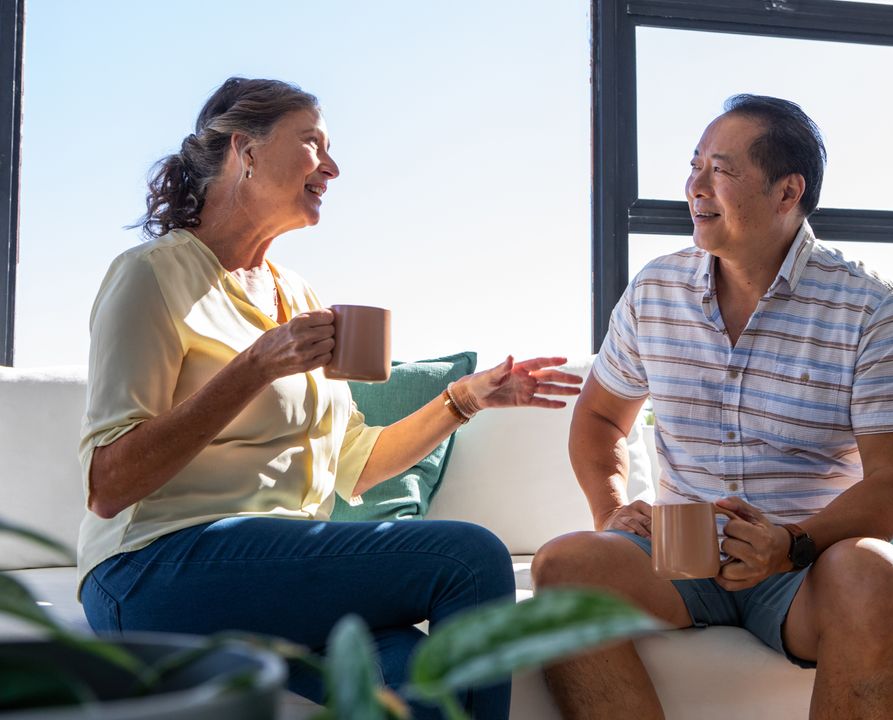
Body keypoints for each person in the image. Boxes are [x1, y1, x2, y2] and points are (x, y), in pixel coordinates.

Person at [77, 76, 581, 719]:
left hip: (281, 580)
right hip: (157, 571)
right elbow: (110, 483)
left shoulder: (301, 296)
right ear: (246, 149)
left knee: (423, 697)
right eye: (312, 143)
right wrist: (255, 367)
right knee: (470, 558)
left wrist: (465, 398)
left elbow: (356, 465)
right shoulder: (151, 275)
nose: (333, 167)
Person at [533, 94, 893, 719]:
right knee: (563, 563)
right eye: (694, 166)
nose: (694, 186)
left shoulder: (870, 306)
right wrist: (611, 510)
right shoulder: (655, 289)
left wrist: (791, 543)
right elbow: (600, 418)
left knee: (877, 573)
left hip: (807, 562)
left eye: (718, 170)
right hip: (680, 552)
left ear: (786, 192)